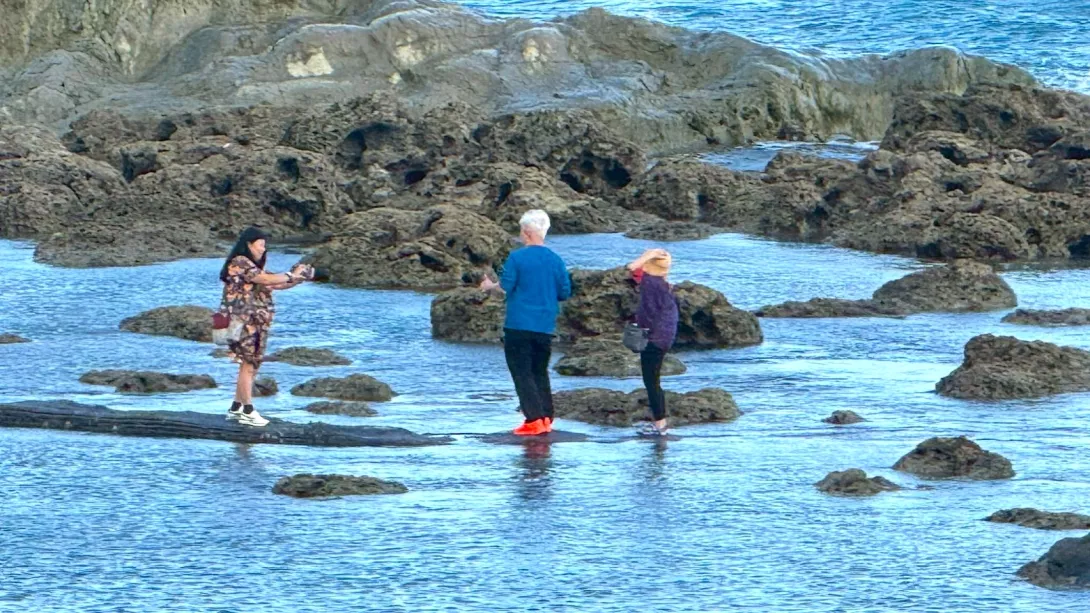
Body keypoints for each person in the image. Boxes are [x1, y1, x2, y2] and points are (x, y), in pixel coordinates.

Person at [481, 210, 572, 436]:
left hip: (519, 323)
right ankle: (546, 418)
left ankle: (533, 419)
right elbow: (564, 291)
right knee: (539, 371)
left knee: (522, 372)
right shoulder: (556, 259)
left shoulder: (517, 257)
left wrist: (489, 286)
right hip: (545, 325)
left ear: (527, 232)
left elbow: (506, 286)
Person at [220, 226, 313, 427]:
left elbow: (276, 283)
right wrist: (290, 274)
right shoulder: (240, 262)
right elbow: (264, 279)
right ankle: (248, 411)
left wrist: (298, 278)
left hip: (255, 322)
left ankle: (236, 407)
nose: (263, 249)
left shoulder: (255, 268)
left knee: (252, 363)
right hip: (240, 321)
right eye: (261, 245)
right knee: (248, 363)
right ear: (248, 244)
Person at [627, 248, 679, 437]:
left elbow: (631, 268)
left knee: (651, 381)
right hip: (666, 336)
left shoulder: (651, 283)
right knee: (653, 380)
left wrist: (646, 256)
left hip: (655, 338)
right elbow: (633, 272)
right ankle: (659, 423)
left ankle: (660, 425)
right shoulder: (662, 283)